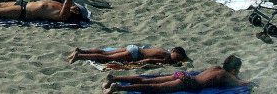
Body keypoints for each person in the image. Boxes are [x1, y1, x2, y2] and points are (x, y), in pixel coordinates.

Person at [103, 55, 248, 93]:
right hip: (187, 82)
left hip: (181, 75)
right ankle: (119, 88)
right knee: (155, 88)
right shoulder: (226, 75)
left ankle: (114, 78)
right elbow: (242, 84)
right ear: (234, 69)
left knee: (149, 80)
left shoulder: (216, 67)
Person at [68, 45, 188, 65]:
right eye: (177, 58)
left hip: (134, 47)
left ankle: (81, 50)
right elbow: (150, 59)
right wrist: (135, 63)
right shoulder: (165, 56)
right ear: (174, 52)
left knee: (105, 52)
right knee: (106, 58)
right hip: (134, 54)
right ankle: (79, 56)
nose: (176, 60)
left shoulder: (163, 50)